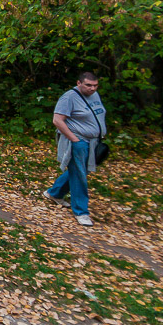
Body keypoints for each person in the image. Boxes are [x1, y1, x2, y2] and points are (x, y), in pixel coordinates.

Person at [44, 72, 106, 227]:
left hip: (92, 141)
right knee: (79, 174)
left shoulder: (94, 95)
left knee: (79, 170)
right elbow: (57, 120)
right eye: (88, 85)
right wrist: (74, 139)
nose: (92, 88)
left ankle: (54, 193)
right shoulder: (69, 97)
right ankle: (81, 211)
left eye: (95, 85)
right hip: (78, 141)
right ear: (79, 83)